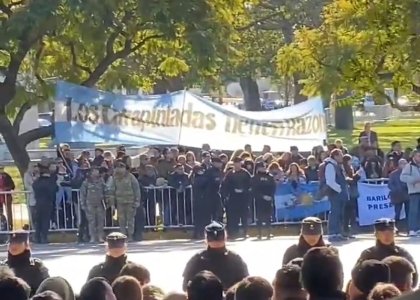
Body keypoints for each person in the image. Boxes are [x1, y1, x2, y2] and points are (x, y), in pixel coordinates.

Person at [182, 221, 249, 291]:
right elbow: (246, 286)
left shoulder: (197, 259)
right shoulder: (235, 259)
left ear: (206, 239)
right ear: (225, 237)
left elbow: (185, 287)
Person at [355, 218, 418, 287]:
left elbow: (414, 276)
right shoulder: (368, 254)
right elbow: (357, 276)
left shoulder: (402, 253)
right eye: (382, 232)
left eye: (390, 232)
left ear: (394, 233)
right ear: (376, 235)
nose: (387, 235)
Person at [0, 231, 49, 296]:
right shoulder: (3, 267)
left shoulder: (37, 266)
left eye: (18, 242)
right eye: (11, 242)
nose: (13, 245)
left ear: (26, 245)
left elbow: (46, 291)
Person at [107, 162, 141, 240]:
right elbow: (111, 191)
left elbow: (136, 189)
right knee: (121, 220)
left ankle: (130, 236)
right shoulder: (114, 178)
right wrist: (112, 203)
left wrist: (137, 201)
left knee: (130, 220)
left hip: (130, 202)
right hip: (120, 202)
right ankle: (123, 236)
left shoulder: (131, 177)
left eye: (122, 167)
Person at [221, 157, 252, 239]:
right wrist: (227, 195)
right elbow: (225, 185)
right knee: (233, 217)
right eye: (235, 163)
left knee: (244, 216)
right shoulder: (230, 174)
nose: (237, 164)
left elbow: (250, 184)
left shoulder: (245, 173)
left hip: (243, 198)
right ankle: (233, 233)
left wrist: (244, 190)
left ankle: (245, 232)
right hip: (233, 198)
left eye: (238, 163)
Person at [323, 149, 349, 242]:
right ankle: (332, 233)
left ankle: (338, 233)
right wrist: (340, 189)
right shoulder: (330, 165)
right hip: (335, 193)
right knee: (334, 213)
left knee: (339, 213)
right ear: (335, 156)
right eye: (340, 155)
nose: (342, 157)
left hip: (339, 193)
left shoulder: (337, 165)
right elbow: (330, 181)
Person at [80, 167, 108, 243]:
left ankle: (100, 237)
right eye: (95, 171)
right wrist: (83, 204)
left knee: (100, 221)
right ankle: (92, 237)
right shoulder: (86, 182)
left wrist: (107, 201)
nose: (97, 173)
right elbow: (83, 194)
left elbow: (105, 191)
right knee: (91, 221)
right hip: (90, 204)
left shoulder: (101, 181)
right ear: (91, 172)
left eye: (97, 171)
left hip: (100, 203)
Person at [32, 165, 58, 244]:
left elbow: (34, 187)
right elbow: (55, 189)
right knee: (45, 220)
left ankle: (37, 237)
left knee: (38, 220)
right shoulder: (50, 182)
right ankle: (44, 237)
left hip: (38, 203)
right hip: (47, 202)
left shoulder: (37, 182)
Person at [252, 162, 276, 239]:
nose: (263, 168)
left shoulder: (270, 177)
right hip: (259, 200)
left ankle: (268, 233)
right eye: (261, 167)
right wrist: (262, 196)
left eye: (264, 167)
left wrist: (270, 196)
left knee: (268, 217)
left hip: (269, 200)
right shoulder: (255, 178)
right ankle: (259, 233)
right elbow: (254, 189)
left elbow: (273, 188)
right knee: (259, 217)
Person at [399, 150, 420, 237]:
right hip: (414, 191)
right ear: (414, 157)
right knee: (413, 211)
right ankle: (412, 229)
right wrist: (414, 179)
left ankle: (418, 228)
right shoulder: (409, 166)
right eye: (418, 156)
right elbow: (402, 177)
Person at [388, 159, 409, 234]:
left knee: (409, 213)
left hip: (407, 195)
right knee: (397, 213)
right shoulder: (393, 174)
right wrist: (396, 190)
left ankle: (409, 228)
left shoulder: (409, 173)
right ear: (399, 164)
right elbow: (390, 184)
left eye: (405, 163)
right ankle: (396, 228)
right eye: (402, 164)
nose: (404, 165)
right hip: (397, 196)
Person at [0, 165, 15, 231]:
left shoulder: (7, 176)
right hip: (0, 197)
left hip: (7, 196)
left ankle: (10, 225)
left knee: (9, 211)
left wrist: (5, 189)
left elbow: (12, 186)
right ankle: (2, 223)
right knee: (1, 211)